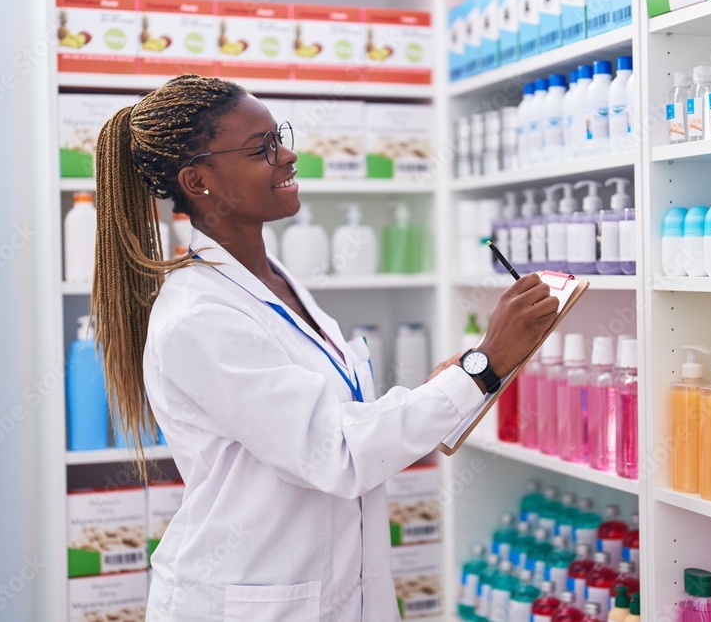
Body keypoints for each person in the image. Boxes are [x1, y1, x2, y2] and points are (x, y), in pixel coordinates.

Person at [92, 74, 558, 622]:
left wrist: (443, 386)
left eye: (279, 136)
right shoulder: (199, 318)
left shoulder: (276, 282)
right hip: (250, 600)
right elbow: (336, 453)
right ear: (198, 180)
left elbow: (336, 424)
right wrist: (485, 366)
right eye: (262, 147)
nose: (288, 155)